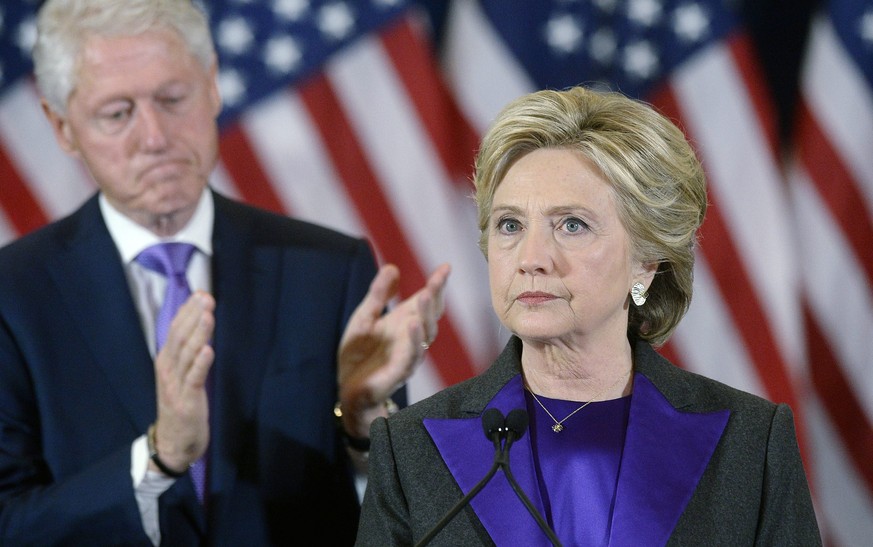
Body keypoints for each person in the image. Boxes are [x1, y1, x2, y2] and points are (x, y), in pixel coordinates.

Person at [0, 0, 450, 545]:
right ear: (62, 127)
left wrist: (359, 425)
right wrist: (159, 459)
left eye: (172, 98)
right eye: (117, 113)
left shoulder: (328, 273)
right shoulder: (14, 297)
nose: (155, 137)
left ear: (211, 84)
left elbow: (398, 518)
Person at [356, 85, 822, 546]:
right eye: (510, 225)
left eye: (572, 225)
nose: (531, 257)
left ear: (647, 260)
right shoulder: (411, 448)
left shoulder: (749, 444)